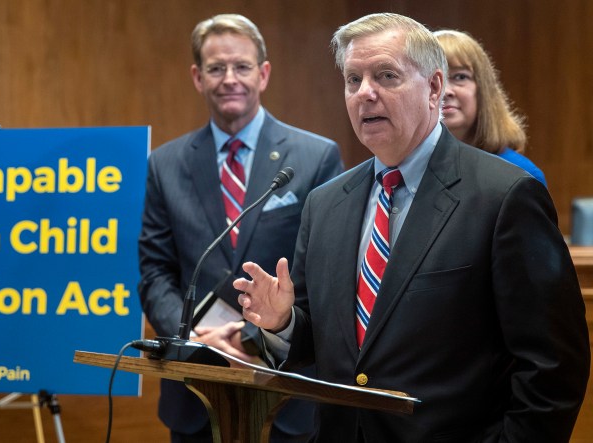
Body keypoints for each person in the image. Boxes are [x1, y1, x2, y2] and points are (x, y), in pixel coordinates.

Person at [235, 12, 589, 442]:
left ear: (435, 88)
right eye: (352, 79)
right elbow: (332, 347)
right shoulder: (325, 203)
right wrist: (283, 322)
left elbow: (552, 366)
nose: (365, 93)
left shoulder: (505, 196)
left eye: (386, 75)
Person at [137, 13, 344, 443]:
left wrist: (250, 337)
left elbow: (322, 273)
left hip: (284, 387)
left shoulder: (315, 157)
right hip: (193, 386)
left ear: (263, 74)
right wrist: (193, 337)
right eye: (216, 68)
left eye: (242, 66)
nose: (229, 78)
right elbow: (155, 271)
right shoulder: (164, 165)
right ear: (197, 77)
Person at [435, 29, 547, 186]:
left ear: (483, 90)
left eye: (460, 77)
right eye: (434, 79)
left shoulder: (521, 175)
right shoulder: (402, 169)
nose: (446, 91)